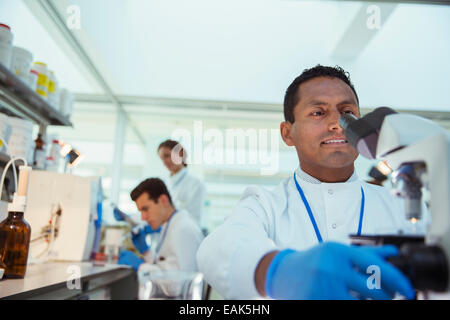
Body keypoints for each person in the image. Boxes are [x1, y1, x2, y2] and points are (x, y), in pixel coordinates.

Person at [196, 65, 429, 300]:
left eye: (347, 111)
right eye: (318, 112)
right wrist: (278, 270)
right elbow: (216, 250)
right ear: (288, 133)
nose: (338, 124)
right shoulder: (266, 205)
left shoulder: (401, 206)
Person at [118, 178, 204, 279]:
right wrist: (146, 252)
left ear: (163, 200)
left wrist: (141, 267)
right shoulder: (171, 225)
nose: (143, 217)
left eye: (145, 209)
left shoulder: (182, 229)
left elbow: (177, 284)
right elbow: (166, 266)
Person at [158, 139, 207, 229]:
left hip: (183, 235)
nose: (164, 162)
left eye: (167, 156)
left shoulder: (196, 184)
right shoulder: (163, 184)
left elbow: (193, 219)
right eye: (162, 158)